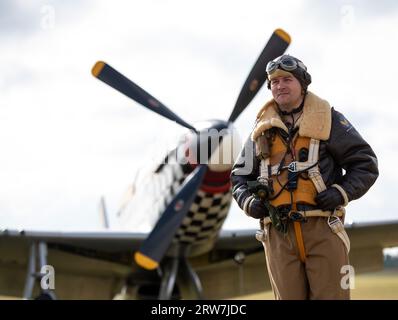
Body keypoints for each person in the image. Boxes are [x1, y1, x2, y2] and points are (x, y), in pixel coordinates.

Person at [230, 54, 379, 300]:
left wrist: (340, 193)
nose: (280, 86)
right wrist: (249, 202)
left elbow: (365, 164)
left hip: (323, 229)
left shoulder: (329, 120)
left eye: (287, 79)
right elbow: (239, 176)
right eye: (274, 82)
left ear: (302, 84)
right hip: (279, 235)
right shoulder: (261, 129)